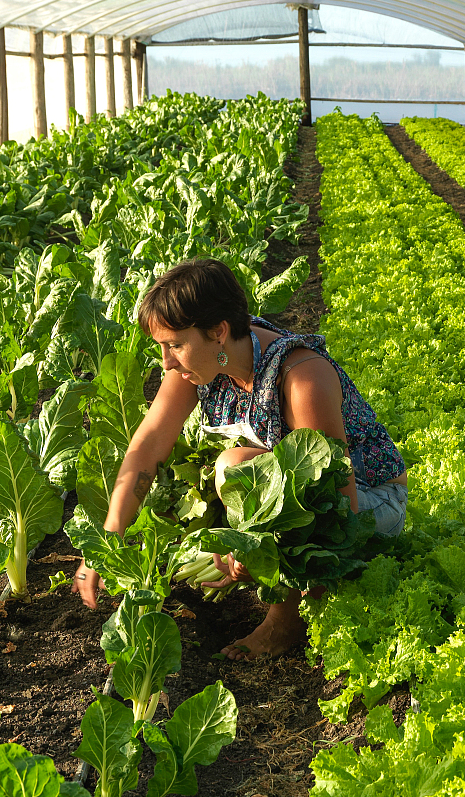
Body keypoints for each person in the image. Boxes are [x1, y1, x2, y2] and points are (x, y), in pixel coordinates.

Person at [73, 258, 407, 660]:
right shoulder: (204, 363)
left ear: (218, 331)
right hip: (293, 498)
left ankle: (285, 621)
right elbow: (148, 446)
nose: (166, 362)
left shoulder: (301, 377)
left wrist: (258, 545)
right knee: (212, 483)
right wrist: (108, 540)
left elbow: (338, 505)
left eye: (175, 345)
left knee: (234, 467)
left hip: (370, 506)